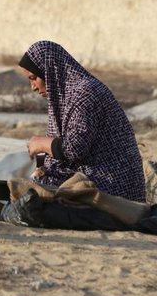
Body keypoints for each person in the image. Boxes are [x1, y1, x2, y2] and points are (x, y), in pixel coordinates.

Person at [18, 40, 145, 202]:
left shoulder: (85, 93)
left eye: (34, 78)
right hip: (100, 178)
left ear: (51, 71)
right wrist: (40, 158)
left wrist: (41, 143)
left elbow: (75, 149)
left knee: (32, 197)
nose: (33, 87)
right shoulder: (69, 95)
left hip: (112, 187)